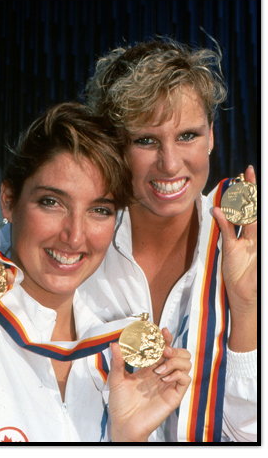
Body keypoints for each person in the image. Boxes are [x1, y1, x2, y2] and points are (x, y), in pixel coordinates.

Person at [0, 102, 192, 443]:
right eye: (52, 202)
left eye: (100, 210)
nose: (74, 236)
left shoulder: (114, 355)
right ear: (7, 200)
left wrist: (126, 440)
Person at [78, 38, 257, 442]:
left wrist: (245, 306)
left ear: (212, 135)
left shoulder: (249, 245)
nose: (171, 163)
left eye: (188, 135)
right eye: (146, 140)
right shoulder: (72, 241)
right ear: (115, 147)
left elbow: (250, 437)